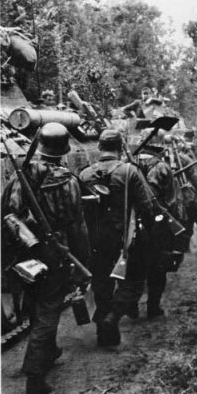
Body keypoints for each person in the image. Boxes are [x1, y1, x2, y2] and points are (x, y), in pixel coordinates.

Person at [1, 122, 90, 394]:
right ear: (63, 151)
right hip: (55, 251)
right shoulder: (68, 180)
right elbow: (76, 224)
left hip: (24, 252)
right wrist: (81, 258)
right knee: (49, 309)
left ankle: (48, 352)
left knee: (36, 304)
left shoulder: (21, 175)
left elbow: (8, 213)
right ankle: (35, 375)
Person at [79, 129, 157, 346]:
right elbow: (146, 206)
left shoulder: (85, 174)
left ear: (100, 147)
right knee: (133, 280)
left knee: (101, 281)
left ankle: (103, 329)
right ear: (121, 147)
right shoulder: (129, 171)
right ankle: (113, 317)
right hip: (126, 236)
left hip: (95, 239)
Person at [138, 142, 184, 318]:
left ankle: (132, 306)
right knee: (158, 266)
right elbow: (172, 198)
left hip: (136, 223)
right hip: (160, 223)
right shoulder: (162, 167)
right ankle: (153, 307)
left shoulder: (130, 165)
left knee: (137, 264)